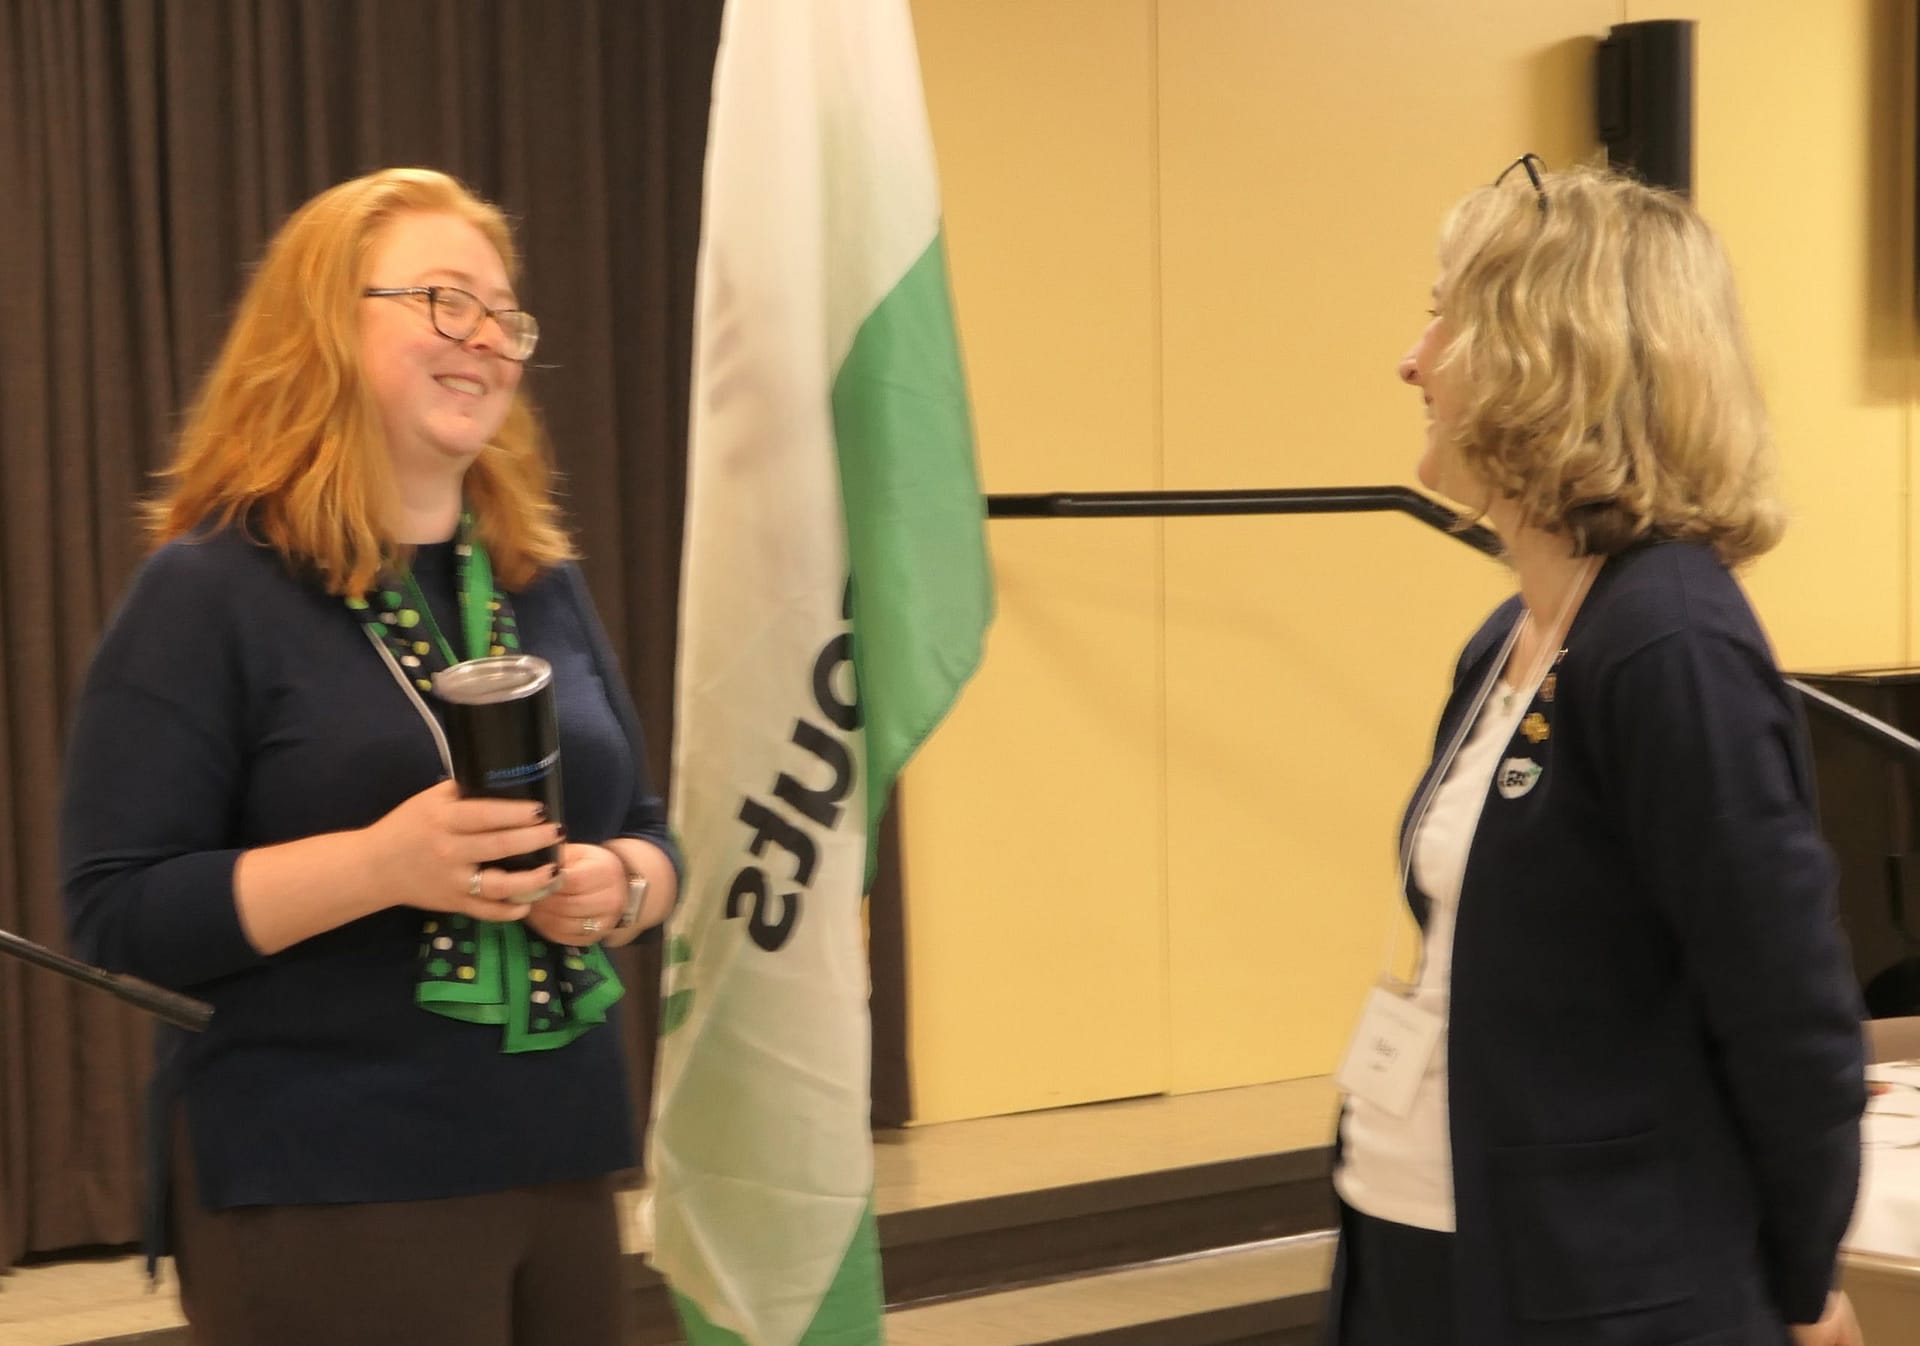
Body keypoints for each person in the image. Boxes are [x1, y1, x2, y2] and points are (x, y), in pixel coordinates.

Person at [58, 167, 680, 1346]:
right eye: (446, 300)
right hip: (327, 1171)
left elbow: (648, 828)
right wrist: (383, 864)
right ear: (321, 327)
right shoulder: (208, 591)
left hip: (561, 1152)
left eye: (504, 314)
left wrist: (622, 883)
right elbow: (119, 912)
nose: (485, 339)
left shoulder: (538, 579)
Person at [1327, 159, 1867, 1346]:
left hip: (1597, 1287)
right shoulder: (1508, 639)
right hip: (1422, 1238)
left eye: (1447, 318)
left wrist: (1804, 1282)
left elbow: (1788, 1011)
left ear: (1550, 354)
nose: (1412, 361)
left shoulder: (1670, 640)